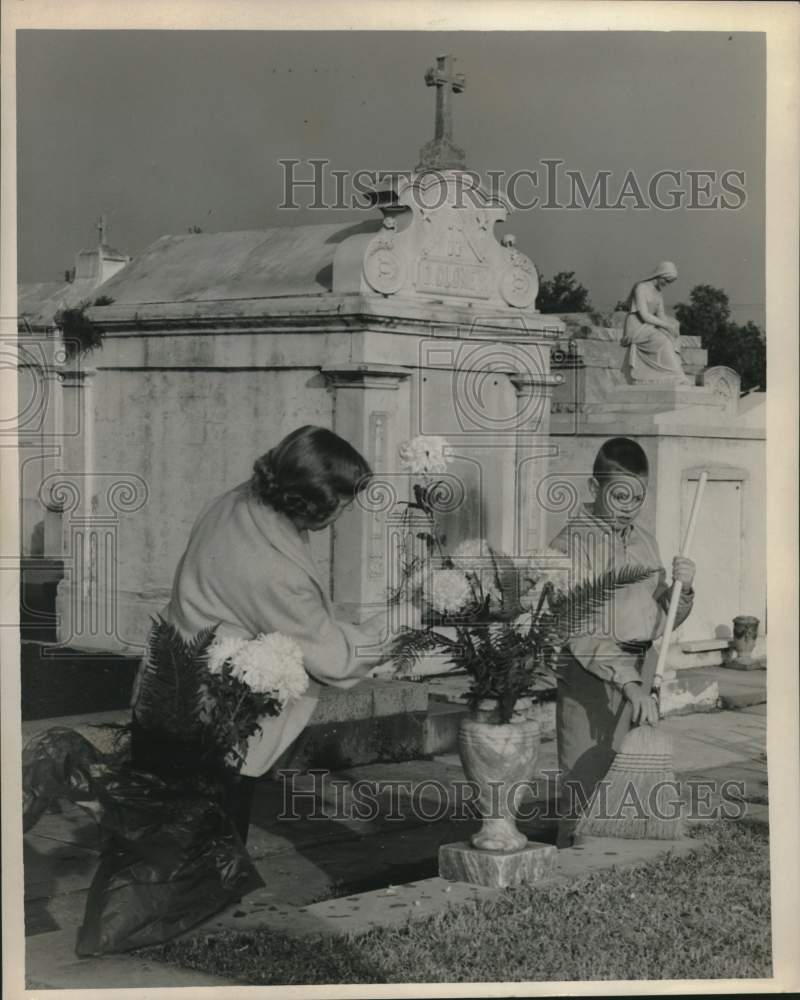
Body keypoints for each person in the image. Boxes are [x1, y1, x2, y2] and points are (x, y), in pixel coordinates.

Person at [130, 425, 394, 844]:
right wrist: (398, 623)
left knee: (160, 835)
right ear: (309, 502)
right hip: (216, 716)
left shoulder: (239, 500)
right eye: (342, 505)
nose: (344, 514)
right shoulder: (276, 572)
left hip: (169, 680)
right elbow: (334, 658)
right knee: (206, 847)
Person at [548, 437, 696, 847]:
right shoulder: (570, 544)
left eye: (637, 497)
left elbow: (660, 621)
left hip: (642, 672)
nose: (628, 506)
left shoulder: (645, 541)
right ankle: (572, 860)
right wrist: (628, 682)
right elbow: (576, 629)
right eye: (619, 495)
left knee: (629, 782)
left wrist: (681, 590)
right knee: (586, 777)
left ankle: (618, 859)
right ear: (595, 490)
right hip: (590, 675)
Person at [621, 260, 691, 384]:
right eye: (667, 280)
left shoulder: (658, 293)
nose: (667, 284)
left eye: (670, 282)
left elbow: (661, 315)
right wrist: (666, 326)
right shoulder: (641, 287)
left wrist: (673, 326)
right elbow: (644, 315)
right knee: (663, 340)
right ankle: (674, 374)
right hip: (637, 327)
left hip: (650, 326)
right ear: (660, 275)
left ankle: (676, 373)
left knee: (671, 336)